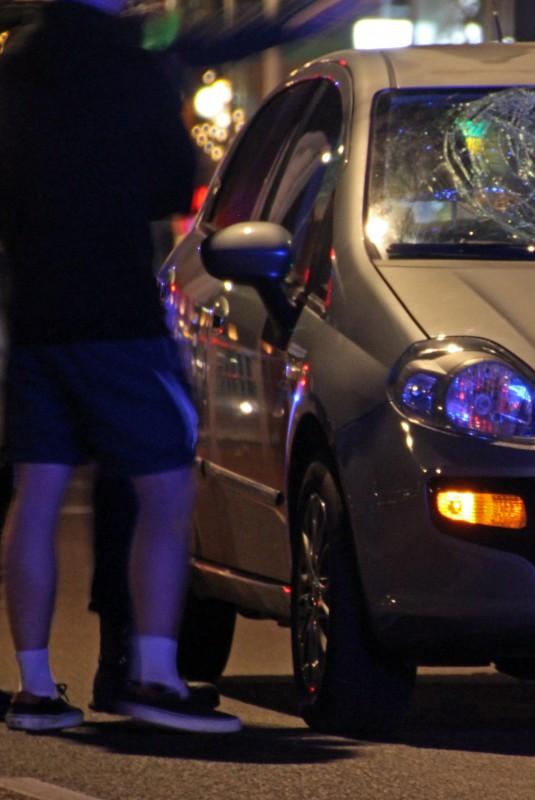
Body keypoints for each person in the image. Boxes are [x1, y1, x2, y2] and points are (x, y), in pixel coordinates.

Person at [0, 0, 239, 733]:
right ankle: (155, 674)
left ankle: (35, 689)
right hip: (117, 312)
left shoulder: (12, 65)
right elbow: (173, 183)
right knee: (165, 491)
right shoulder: (130, 65)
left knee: (35, 494)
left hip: (34, 313)